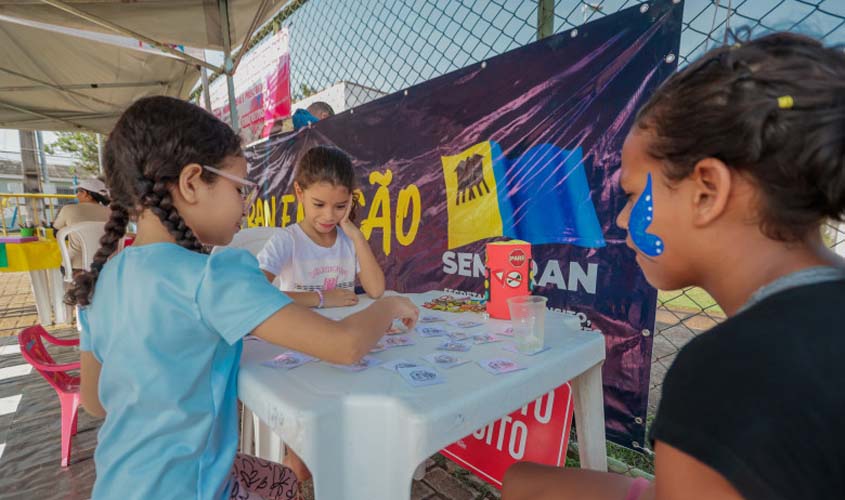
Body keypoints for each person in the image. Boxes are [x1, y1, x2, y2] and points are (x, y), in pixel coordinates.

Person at [502, 32, 845, 500]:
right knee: (526, 480)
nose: (621, 219)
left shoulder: (725, 371)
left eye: (631, 193)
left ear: (707, 190)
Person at [68, 96, 418, 500]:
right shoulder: (214, 275)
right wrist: (389, 304)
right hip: (193, 490)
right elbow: (346, 346)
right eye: (240, 188)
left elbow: (95, 401)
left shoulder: (104, 277)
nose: (245, 205)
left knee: (282, 481)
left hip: (118, 484)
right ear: (192, 182)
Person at [257, 145, 386, 309]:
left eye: (340, 206)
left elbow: (376, 291)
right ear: (299, 192)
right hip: (299, 329)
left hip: (342, 328)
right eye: (319, 204)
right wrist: (320, 298)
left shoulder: (350, 240)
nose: (329, 216)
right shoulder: (286, 240)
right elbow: (255, 293)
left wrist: (357, 236)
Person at [53, 178, 111, 273]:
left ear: (85, 193)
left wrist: (79, 235)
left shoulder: (68, 209)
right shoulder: (110, 212)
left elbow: (56, 233)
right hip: (104, 265)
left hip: (75, 266)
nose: (77, 195)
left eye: (78, 191)